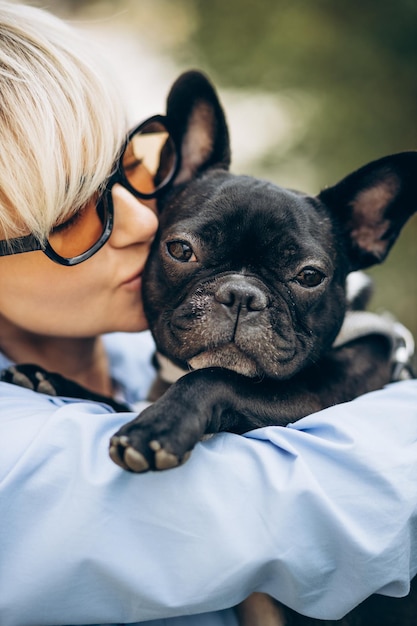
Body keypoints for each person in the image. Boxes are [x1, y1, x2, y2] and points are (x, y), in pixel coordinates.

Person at [0, 3, 416, 626]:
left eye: (135, 174)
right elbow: (314, 508)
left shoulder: (135, 360)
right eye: (66, 217)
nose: (142, 218)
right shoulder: (18, 456)